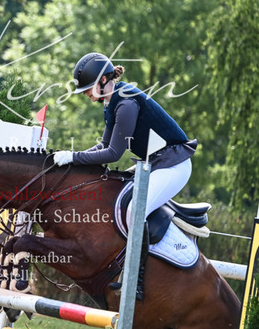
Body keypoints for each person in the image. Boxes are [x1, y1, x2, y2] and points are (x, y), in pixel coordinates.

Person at [54, 52, 197, 297]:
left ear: (103, 80)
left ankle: (136, 281)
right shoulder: (112, 102)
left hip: (175, 165)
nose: (86, 94)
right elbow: (103, 146)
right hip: (156, 163)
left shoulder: (126, 103)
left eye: (88, 88)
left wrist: (74, 157)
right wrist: (73, 160)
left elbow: (113, 153)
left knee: (134, 212)